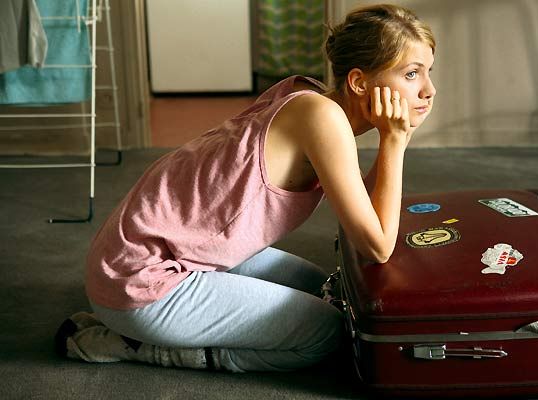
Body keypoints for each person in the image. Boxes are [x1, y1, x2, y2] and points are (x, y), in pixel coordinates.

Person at [55, 4, 436, 373]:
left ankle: (146, 327)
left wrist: (393, 138)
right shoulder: (322, 118)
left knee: (323, 289)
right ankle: (141, 348)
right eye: (411, 74)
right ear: (358, 82)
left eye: (428, 73)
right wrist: (394, 142)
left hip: (142, 256)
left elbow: (364, 218)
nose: (428, 90)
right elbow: (376, 245)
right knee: (328, 333)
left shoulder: (310, 97)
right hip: (142, 284)